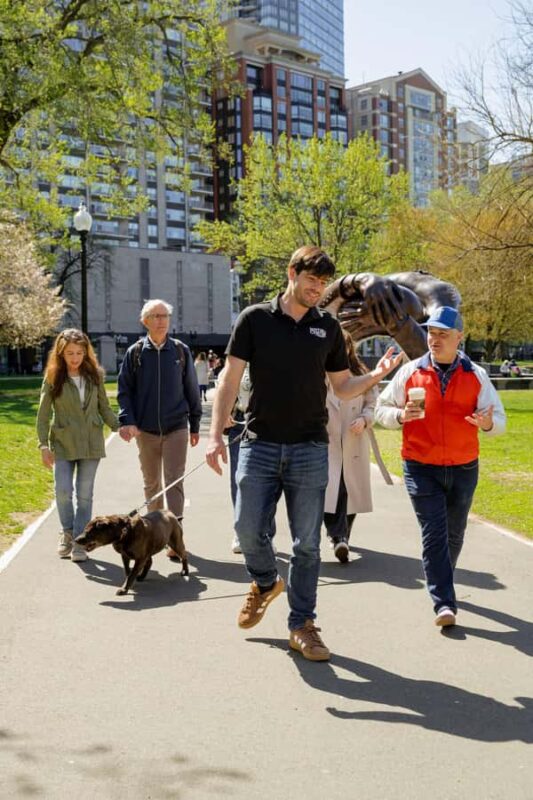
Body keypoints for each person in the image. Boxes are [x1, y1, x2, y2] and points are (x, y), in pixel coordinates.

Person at [206, 245, 402, 662]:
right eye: (311, 280)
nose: (317, 289)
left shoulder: (327, 328)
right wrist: (214, 434)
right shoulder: (254, 319)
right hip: (259, 442)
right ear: (292, 273)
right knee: (246, 528)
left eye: (323, 282)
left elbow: (342, 386)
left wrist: (376, 376)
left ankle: (302, 625)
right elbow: (229, 379)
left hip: (311, 447)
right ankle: (265, 581)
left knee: (307, 544)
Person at [375, 306, 506, 628]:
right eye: (431, 333)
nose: (434, 339)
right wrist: (400, 415)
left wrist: (488, 424)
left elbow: (499, 421)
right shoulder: (411, 372)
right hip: (420, 466)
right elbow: (381, 409)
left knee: (454, 534)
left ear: (459, 337)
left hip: (464, 467)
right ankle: (444, 602)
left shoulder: (476, 375)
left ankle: (442, 577)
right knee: (434, 532)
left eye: (443, 334)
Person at [117, 299, 201, 558]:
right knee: (152, 484)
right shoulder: (135, 353)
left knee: (174, 482)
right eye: (156, 316)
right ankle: (155, 535)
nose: (162, 320)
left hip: (177, 427)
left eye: (165, 316)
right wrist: (127, 420)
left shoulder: (180, 351)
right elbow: (124, 390)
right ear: (145, 321)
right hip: (146, 430)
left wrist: (195, 424)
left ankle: (176, 540)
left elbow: (191, 388)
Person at [36, 329, 119, 562]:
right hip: (63, 442)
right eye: (70, 353)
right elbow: (43, 415)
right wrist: (43, 445)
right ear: (61, 354)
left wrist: (119, 427)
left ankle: (80, 542)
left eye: (79, 353)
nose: (75, 358)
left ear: (86, 352)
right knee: (63, 491)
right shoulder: (53, 377)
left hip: (91, 443)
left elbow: (104, 407)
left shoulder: (95, 376)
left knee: (84, 495)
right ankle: (67, 532)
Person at [324, 329, 378, 563]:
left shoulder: (362, 375)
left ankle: (341, 535)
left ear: (349, 348)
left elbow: (372, 404)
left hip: (353, 439)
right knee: (330, 490)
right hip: (327, 441)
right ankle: (338, 536)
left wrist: (365, 419)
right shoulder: (318, 373)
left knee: (351, 490)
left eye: (342, 345)